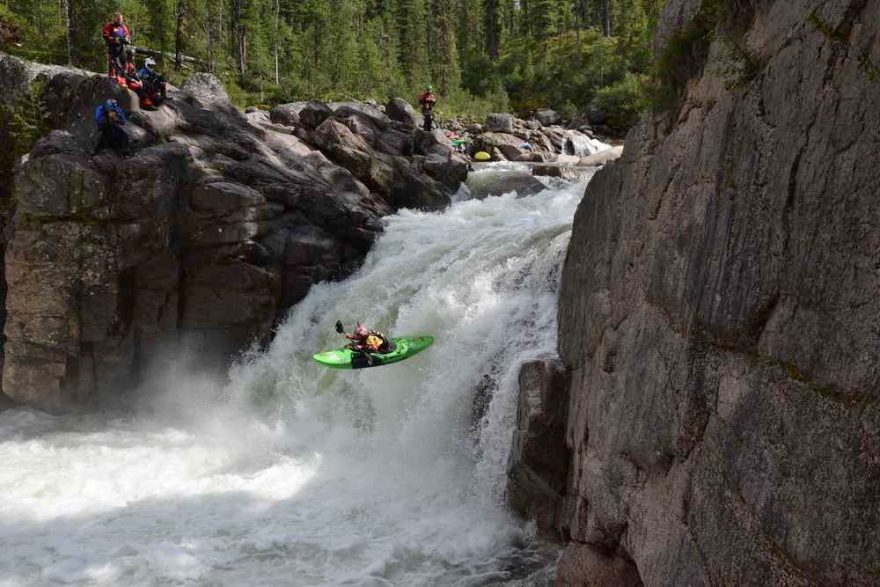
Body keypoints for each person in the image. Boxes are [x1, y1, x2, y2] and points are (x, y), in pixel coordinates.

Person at [102, 13, 131, 83]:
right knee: (115, 64)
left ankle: (122, 78)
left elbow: (128, 36)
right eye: (118, 19)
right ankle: (112, 78)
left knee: (124, 62)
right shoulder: (109, 26)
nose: (120, 20)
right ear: (114, 18)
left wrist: (126, 39)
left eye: (121, 19)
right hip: (112, 47)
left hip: (121, 48)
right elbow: (105, 36)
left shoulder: (124, 27)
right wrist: (115, 39)